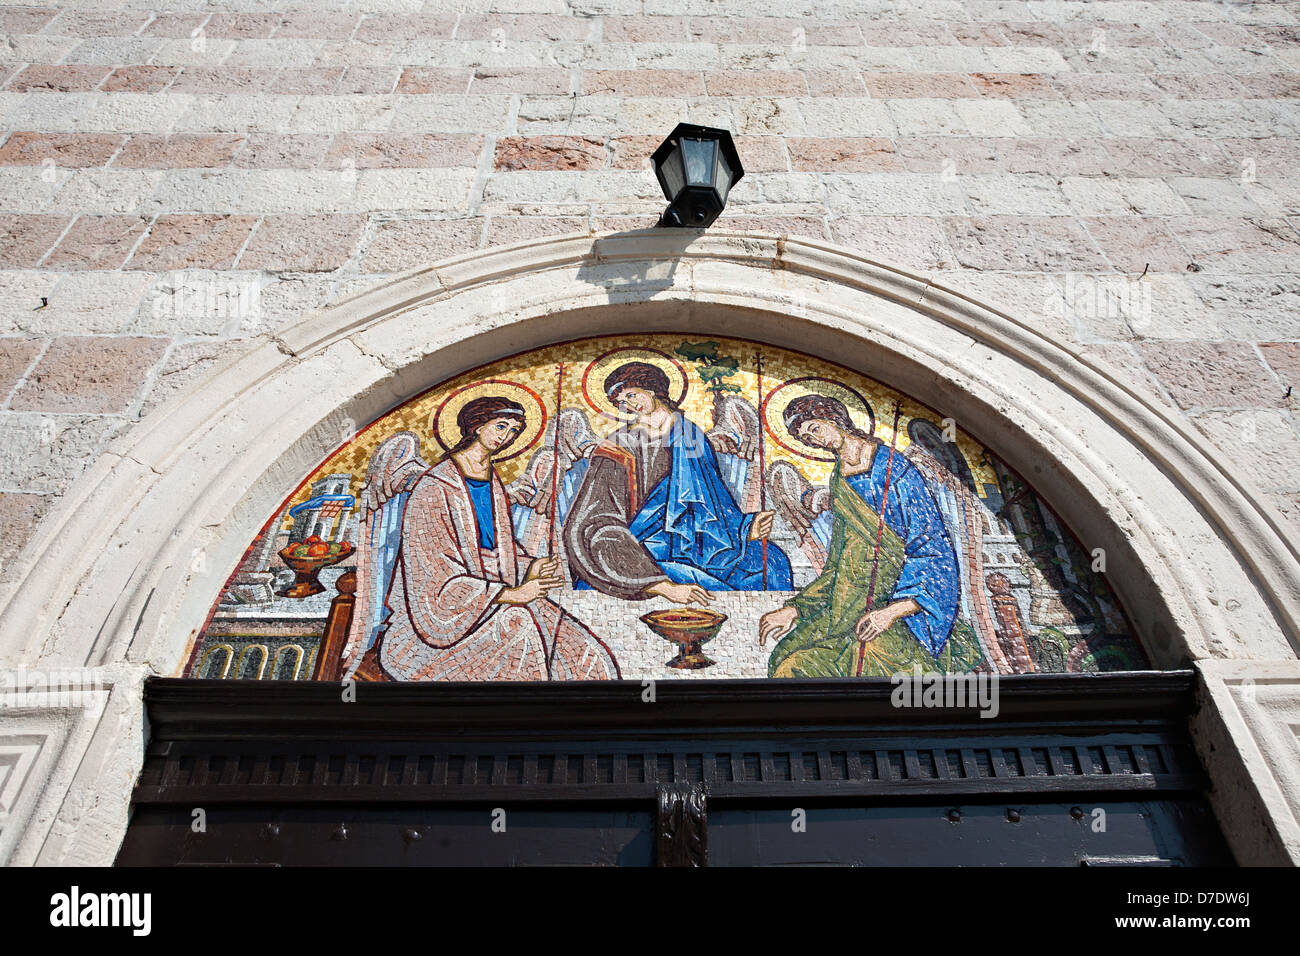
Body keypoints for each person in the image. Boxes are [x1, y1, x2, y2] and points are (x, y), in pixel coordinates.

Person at [376, 395, 620, 681]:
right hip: (434, 631)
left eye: (513, 431)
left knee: (573, 642)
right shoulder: (433, 487)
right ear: (478, 426)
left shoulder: (492, 481)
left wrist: (532, 566)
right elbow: (433, 574)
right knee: (519, 626)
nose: (506, 437)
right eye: (501, 426)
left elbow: (496, 549)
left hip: (494, 600)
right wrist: (510, 595)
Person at [759, 394, 983, 677]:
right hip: (845, 605)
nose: (814, 440)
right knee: (785, 658)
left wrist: (891, 612)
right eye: (806, 439)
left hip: (897, 609)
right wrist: (796, 610)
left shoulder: (893, 469)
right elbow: (839, 563)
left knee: (871, 662)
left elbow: (932, 548)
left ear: (832, 416)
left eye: (814, 429)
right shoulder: (839, 478)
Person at [564, 361, 792, 604]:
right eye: (621, 402)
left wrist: (744, 527)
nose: (628, 405)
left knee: (771, 561)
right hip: (643, 544)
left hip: (697, 537)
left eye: (631, 395)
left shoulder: (691, 434)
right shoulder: (619, 444)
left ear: (651, 389)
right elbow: (595, 519)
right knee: (695, 580)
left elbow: (714, 499)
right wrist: (657, 584)